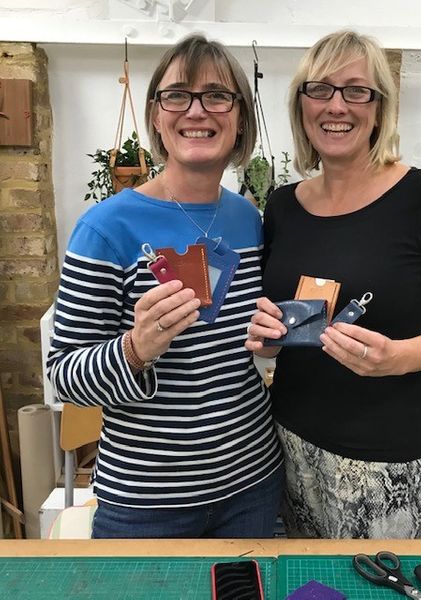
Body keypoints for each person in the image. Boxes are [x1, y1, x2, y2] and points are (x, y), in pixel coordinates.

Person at [246, 30, 421, 539]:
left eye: (356, 90)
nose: (337, 106)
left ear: (379, 109)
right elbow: (278, 317)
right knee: (304, 593)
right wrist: (266, 334)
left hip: (388, 462)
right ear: (301, 106)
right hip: (288, 442)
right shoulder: (283, 207)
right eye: (320, 89)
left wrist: (397, 358)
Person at [47, 34, 283, 539]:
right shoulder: (106, 229)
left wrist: (275, 338)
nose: (196, 111)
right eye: (177, 95)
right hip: (146, 502)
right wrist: (135, 349)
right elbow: (62, 375)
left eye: (217, 95)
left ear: (240, 117)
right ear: (156, 115)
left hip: (252, 485)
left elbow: (241, 351)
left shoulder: (248, 219)